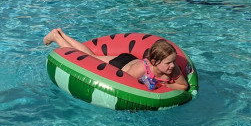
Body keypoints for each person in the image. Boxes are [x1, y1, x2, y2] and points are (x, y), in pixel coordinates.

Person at [43, 28, 189, 91]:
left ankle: (61, 33)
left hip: (131, 58)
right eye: (168, 63)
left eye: (173, 61)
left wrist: (165, 87)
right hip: (121, 65)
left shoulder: (173, 69)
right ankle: (57, 37)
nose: (172, 66)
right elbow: (124, 83)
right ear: (155, 62)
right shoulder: (142, 69)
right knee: (91, 58)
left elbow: (184, 86)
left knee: (94, 57)